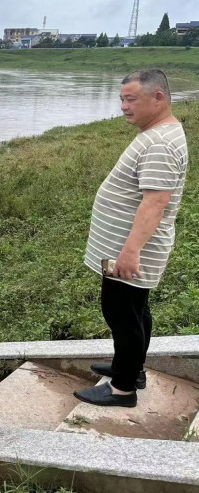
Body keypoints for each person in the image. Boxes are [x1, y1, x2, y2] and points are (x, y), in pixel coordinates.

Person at [74, 69, 188, 408]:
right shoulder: (158, 132)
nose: (124, 106)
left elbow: (156, 202)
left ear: (159, 98)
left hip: (131, 251)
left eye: (131, 99)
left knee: (121, 313)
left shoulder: (161, 143)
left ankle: (122, 389)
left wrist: (131, 252)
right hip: (127, 247)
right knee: (135, 311)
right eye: (122, 99)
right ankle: (131, 368)